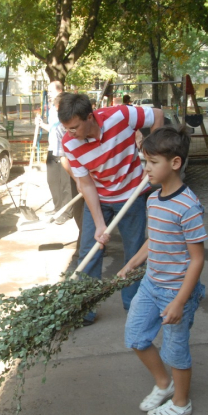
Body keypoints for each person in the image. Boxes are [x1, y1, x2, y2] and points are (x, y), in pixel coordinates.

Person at [117, 126, 206, 415]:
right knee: (135, 337)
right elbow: (153, 240)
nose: (146, 169)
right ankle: (163, 384)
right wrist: (132, 263)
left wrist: (180, 301)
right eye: (145, 162)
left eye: (153, 163)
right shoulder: (153, 199)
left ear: (175, 163)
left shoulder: (188, 206)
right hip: (150, 285)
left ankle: (182, 403)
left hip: (175, 292)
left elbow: (197, 260)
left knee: (175, 351)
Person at [58, 93, 164, 324]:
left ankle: (134, 306)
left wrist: (154, 154)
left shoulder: (120, 115)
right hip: (99, 196)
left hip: (132, 194)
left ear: (90, 116)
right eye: (66, 128)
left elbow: (157, 115)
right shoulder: (70, 143)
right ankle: (85, 309)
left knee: (135, 251)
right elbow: (85, 184)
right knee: (90, 250)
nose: (69, 133)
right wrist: (99, 225)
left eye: (74, 127)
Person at [35, 81, 77, 225]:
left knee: (65, 182)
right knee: (52, 180)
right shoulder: (52, 109)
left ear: (59, 90)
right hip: (53, 147)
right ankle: (58, 207)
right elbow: (54, 129)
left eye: (51, 91)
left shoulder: (66, 107)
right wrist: (41, 125)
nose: (49, 94)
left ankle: (67, 211)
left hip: (65, 150)